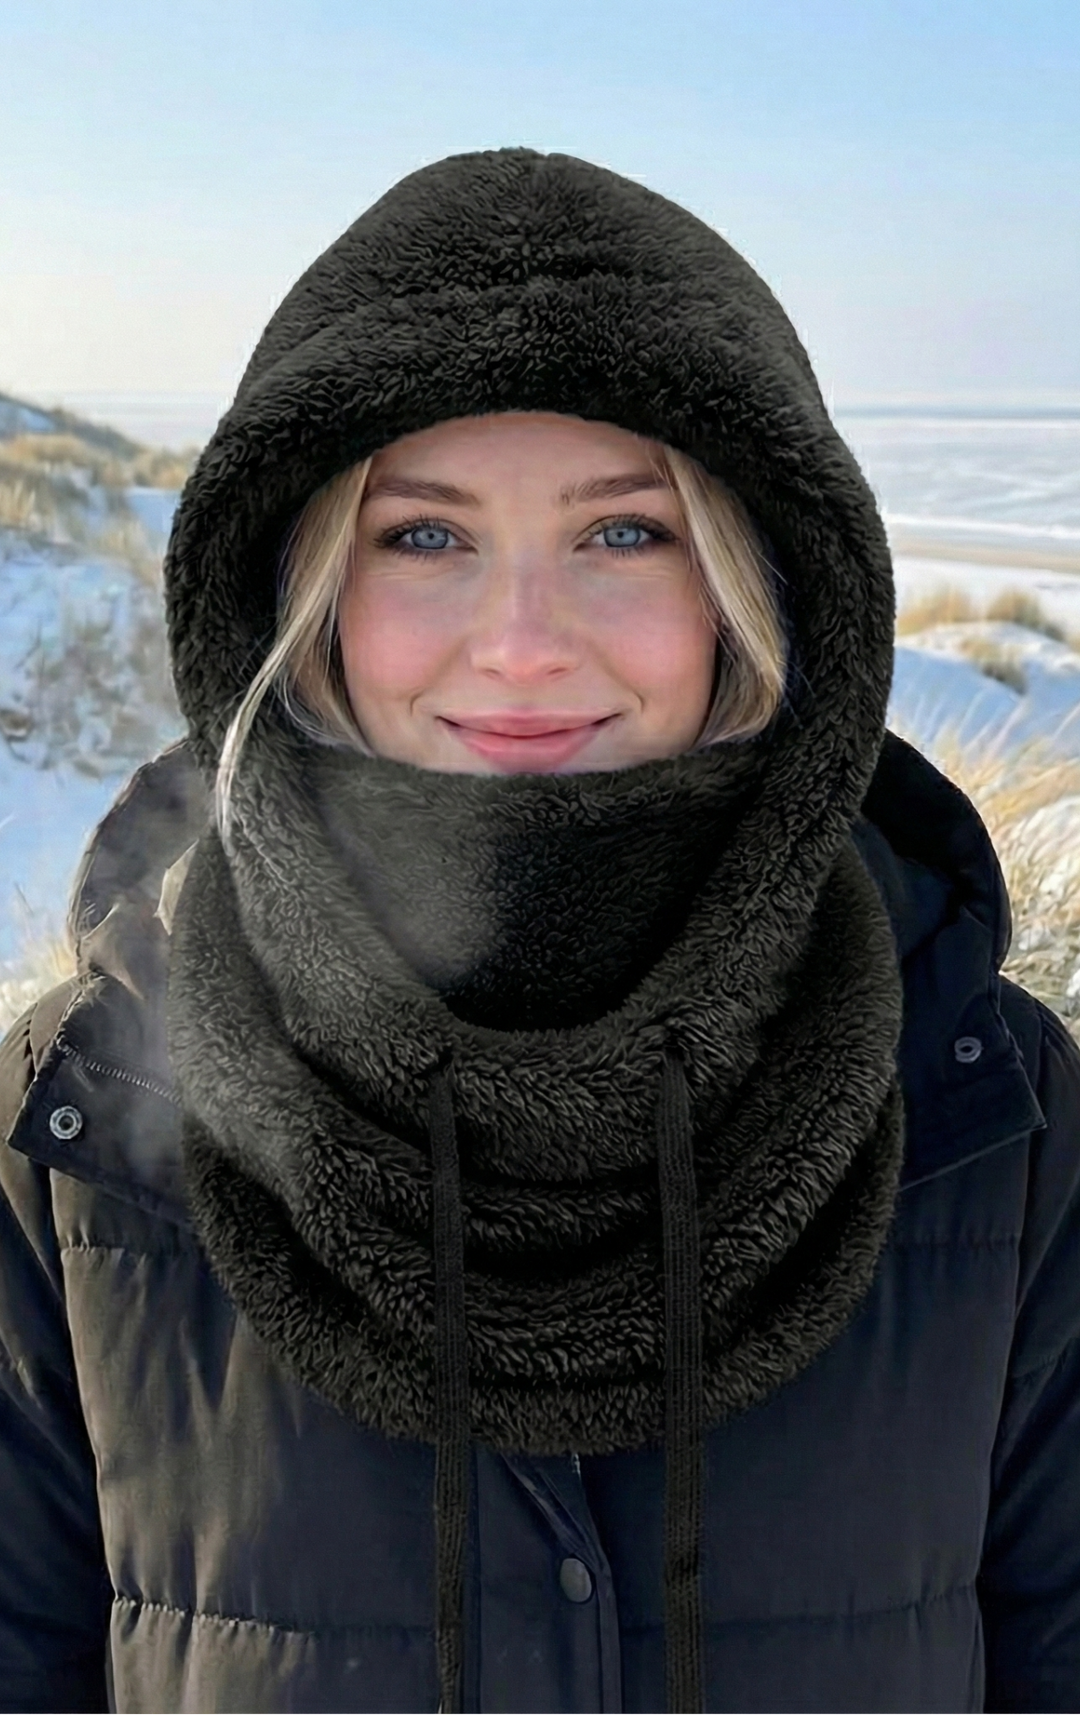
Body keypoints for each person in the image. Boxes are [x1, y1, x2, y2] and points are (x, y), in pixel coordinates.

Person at [1, 147, 1078, 1715]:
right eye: (423, 537)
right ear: (302, 589)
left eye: (625, 533)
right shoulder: (78, 1125)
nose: (519, 644)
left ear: (760, 584)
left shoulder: (996, 1113)